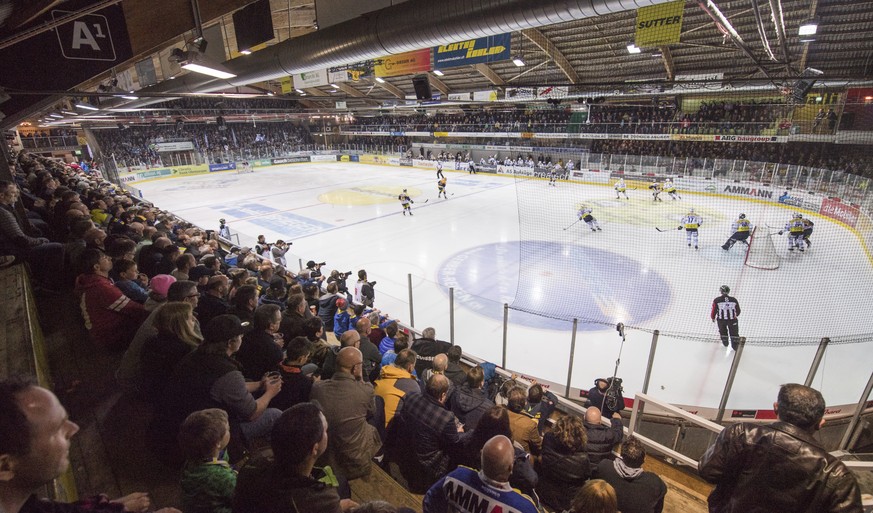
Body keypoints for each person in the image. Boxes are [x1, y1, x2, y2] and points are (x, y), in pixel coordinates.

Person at [0, 378, 181, 513]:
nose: (74, 429)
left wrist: (114, 508)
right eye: (56, 429)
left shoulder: (22, 503)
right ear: (5, 466)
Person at [698, 384, 862, 513]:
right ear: (821, 423)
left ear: (776, 407)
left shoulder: (741, 434)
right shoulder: (837, 475)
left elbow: (708, 471)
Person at [233, 402, 359, 513]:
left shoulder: (254, 464)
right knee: (341, 484)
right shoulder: (322, 501)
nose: (327, 433)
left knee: (340, 480)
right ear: (315, 448)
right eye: (325, 430)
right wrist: (337, 508)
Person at [310, 347, 382, 480]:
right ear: (355, 368)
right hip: (353, 458)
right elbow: (372, 411)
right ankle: (379, 455)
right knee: (377, 406)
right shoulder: (365, 390)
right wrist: (360, 379)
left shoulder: (317, 387)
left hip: (324, 452)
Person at [422, 435, 539, 513]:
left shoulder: (456, 476)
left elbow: (429, 500)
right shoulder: (525, 507)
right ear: (510, 467)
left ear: (481, 456)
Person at [395, 374, 466, 491]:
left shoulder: (411, 397)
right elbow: (455, 442)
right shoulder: (446, 417)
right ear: (443, 395)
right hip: (429, 466)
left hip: (407, 454)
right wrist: (460, 431)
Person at [178, 408, 236, 513]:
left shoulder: (193, 459)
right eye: (227, 429)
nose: (230, 428)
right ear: (217, 443)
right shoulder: (221, 477)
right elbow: (240, 494)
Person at [595, 436, 666, 513]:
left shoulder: (604, 467)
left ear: (621, 455)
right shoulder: (656, 484)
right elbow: (658, 510)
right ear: (644, 459)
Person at [538, 415, 590, 512]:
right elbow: (586, 475)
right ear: (580, 432)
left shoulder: (548, 438)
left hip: (545, 493)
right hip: (567, 501)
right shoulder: (583, 458)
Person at [373, 348, 420, 427]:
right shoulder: (411, 385)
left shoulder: (383, 373)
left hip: (375, 424)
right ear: (410, 367)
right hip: (389, 431)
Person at [506, 386, 542, 457]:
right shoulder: (530, 424)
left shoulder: (499, 413)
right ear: (525, 403)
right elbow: (538, 447)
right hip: (522, 458)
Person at [584, 406, 623, 470]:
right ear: (600, 421)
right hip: (600, 471)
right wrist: (616, 420)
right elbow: (619, 433)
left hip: (583, 469)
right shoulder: (608, 435)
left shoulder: (579, 432)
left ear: (584, 417)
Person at [711, 285, 741, 350]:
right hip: (732, 320)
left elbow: (714, 310)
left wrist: (713, 317)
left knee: (723, 332)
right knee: (734, 334)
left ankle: (725, 343)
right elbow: (738, 310)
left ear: (721, 292)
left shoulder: (717, 300)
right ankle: (735, 347)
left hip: (721, 321)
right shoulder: (734, 299)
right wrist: (736, 315)